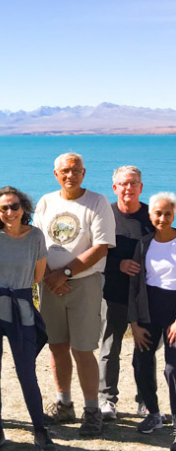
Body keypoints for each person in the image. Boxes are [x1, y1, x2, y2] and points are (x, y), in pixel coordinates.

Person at [34, 152, 115, 437]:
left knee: (83, 349)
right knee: (56, 346)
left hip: (83, 284)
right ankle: (63, 403)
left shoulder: (97, 202)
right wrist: (46, 277)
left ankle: (91, 410)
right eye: (65, 171)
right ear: (56, 174)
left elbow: (101, 247)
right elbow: (36, 243)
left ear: (84, 173)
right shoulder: (46, 202)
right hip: (49, 285)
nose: (71, 175)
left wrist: (64, 274)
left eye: (76, 170)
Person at [0, 186, 55, 451]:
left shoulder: (36, 237)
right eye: (4, 208)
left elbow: (37, 276)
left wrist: (15, 288)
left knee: (26, 371)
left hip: (21, 307)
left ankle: (39, 429)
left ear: (24, 208)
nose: (9, 212)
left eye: (14, 206)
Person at [99, 166, 155, 421]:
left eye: (133, 183)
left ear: (141, 187)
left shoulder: (152, 216)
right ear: (115, 188)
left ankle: (144, 401)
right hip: (112, 293)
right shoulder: (105, 215)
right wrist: (118, 264)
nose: (128, 188)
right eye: (123, 184)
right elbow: (94, 252)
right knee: (110, 347)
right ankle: (107, 400)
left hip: (146, 297)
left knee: (145, 350)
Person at [128, 192, 176, 451]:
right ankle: (154, 414)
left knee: (173, 369)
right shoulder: (144, 244)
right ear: (150, 215)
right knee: (141, 361)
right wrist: (133, 322)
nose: (163, 218)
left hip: (174, 311)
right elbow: (135, 286)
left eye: (168, 213)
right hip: (148, 310)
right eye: (158, 213)